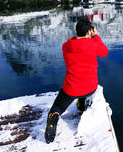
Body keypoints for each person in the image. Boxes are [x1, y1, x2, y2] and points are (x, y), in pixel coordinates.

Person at [45, 16, 109, 144]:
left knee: (58, 106)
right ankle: (81, 104)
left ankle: (55, 116)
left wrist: (81, 36)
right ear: (89, 32)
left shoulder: (66, 46)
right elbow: (104, 52)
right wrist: (95, 36)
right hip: (90, 87)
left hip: (71, 89)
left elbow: (71, 43)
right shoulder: (93, 45)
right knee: (85, 87)